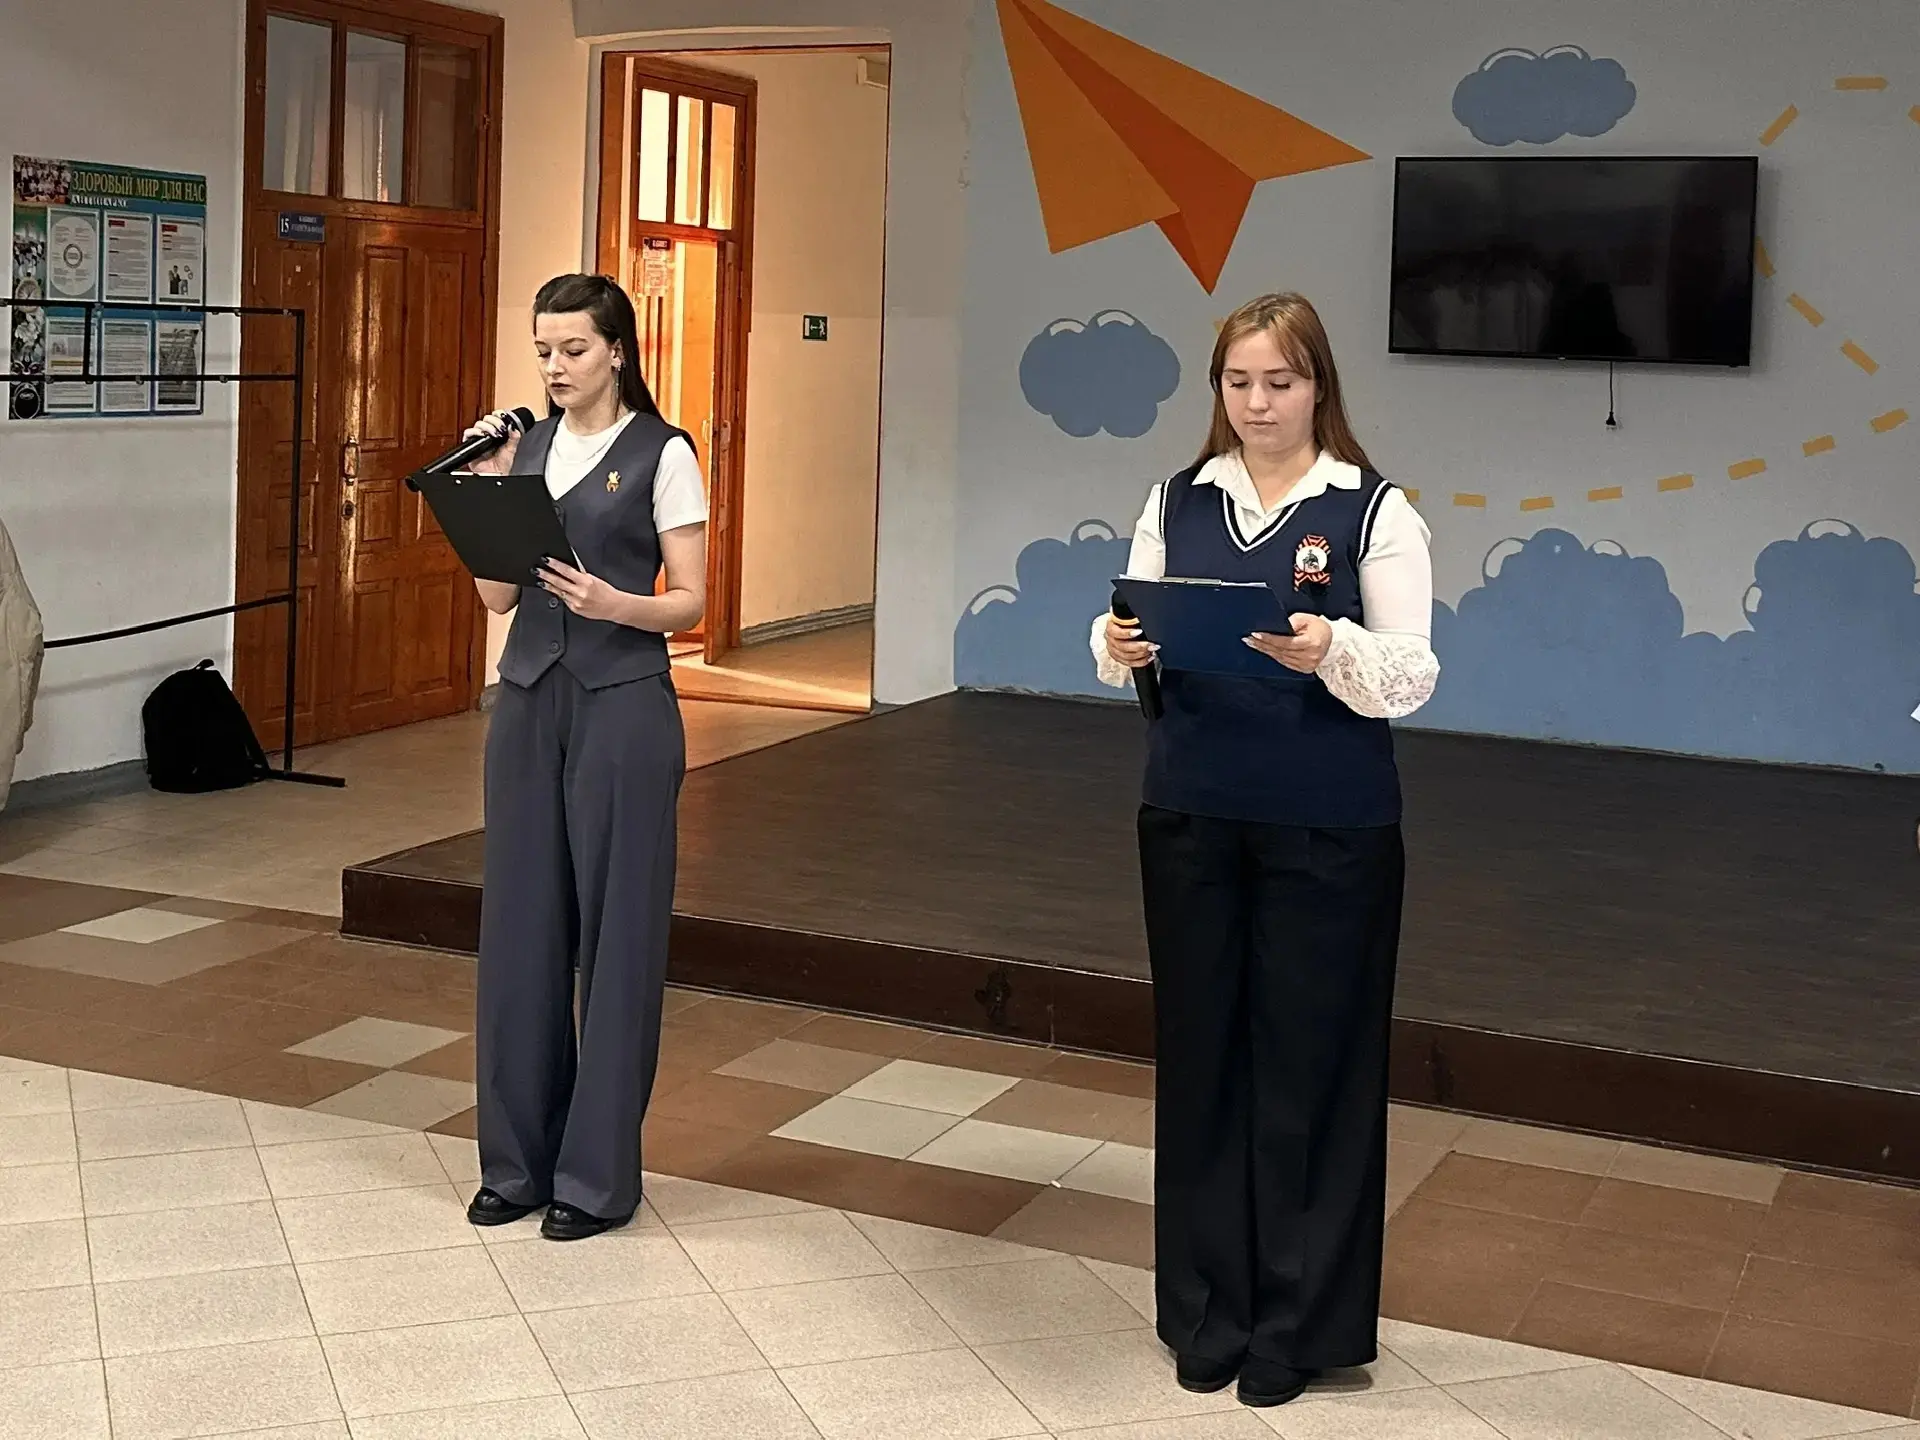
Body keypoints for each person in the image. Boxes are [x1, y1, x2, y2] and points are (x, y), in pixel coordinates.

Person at [1091, 292, 1439, 1406]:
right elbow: (1128, 632)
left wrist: (1330, 646)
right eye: (1238, 382)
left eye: (1279, 382)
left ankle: (1296, 1325)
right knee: (1202, 1060)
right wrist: (1118, 641)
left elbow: (1413, 673)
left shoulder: (1374, 509)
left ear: (1318, 386)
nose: (1257, 403)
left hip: (1328, 826)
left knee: (1312, 1068)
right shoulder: (1175, 500)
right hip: (1192, 812)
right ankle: (1208, 1310)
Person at [460, 273, 707, 1241]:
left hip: (624, 706)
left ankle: (596, 1179)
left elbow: (690, 600)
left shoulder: (663, 452)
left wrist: (617, 605)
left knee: (618, 940)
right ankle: (515, 1165)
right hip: (528, 703)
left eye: (572, 349)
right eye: (543, 351)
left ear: (617, 350)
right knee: (519, 931)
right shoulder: (523, 450)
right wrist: (486, 489)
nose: (555, 367)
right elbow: (497, 598)